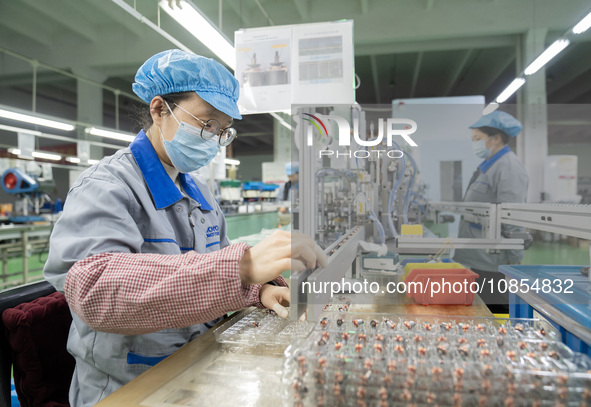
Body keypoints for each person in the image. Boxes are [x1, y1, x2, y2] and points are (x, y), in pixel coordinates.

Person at [43, 49, 326, 406]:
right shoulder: (107, 187)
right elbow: (95, 288)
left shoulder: (200, 194)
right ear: (159, 110)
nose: (215, 138)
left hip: (198, 364)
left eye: (223, 130)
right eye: (207, 123)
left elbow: (216, 270)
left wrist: (257, 291)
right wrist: (241, 267)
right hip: (129, 386)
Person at [452, 110, 529, 314]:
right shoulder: (489, 165)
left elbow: (512, 216)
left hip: (492, 262)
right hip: (476, 257)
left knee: (495, 315)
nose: (474, 143)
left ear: (495, 138)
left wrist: (514, 257)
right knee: (479, 312)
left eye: (478, 138)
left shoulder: (508, 167)